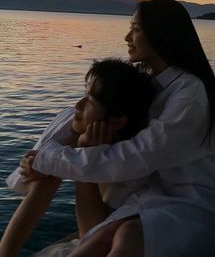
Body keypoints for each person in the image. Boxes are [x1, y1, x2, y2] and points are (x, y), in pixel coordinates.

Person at [7, 0, 215, 257]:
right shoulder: (152, 85)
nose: (127, 36)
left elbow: (141, 155)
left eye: (136, 29)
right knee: (102, 237)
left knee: (125, 234)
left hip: (198, 204)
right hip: (157, 201)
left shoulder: (190, 95)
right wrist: (42, 157)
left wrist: (52, 159)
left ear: (162, 33)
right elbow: (75, 116)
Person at [0, 58, 154, 257]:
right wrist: (40, 163)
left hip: (100, 241)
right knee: (49, 173)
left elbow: (92, 235)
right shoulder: (76, 134)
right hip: (91, 238)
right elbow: (33, 172)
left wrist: (86, 157)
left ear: (116, 121)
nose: (78, 105)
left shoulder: (126, 163)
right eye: (84, 95)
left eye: (89, 101)